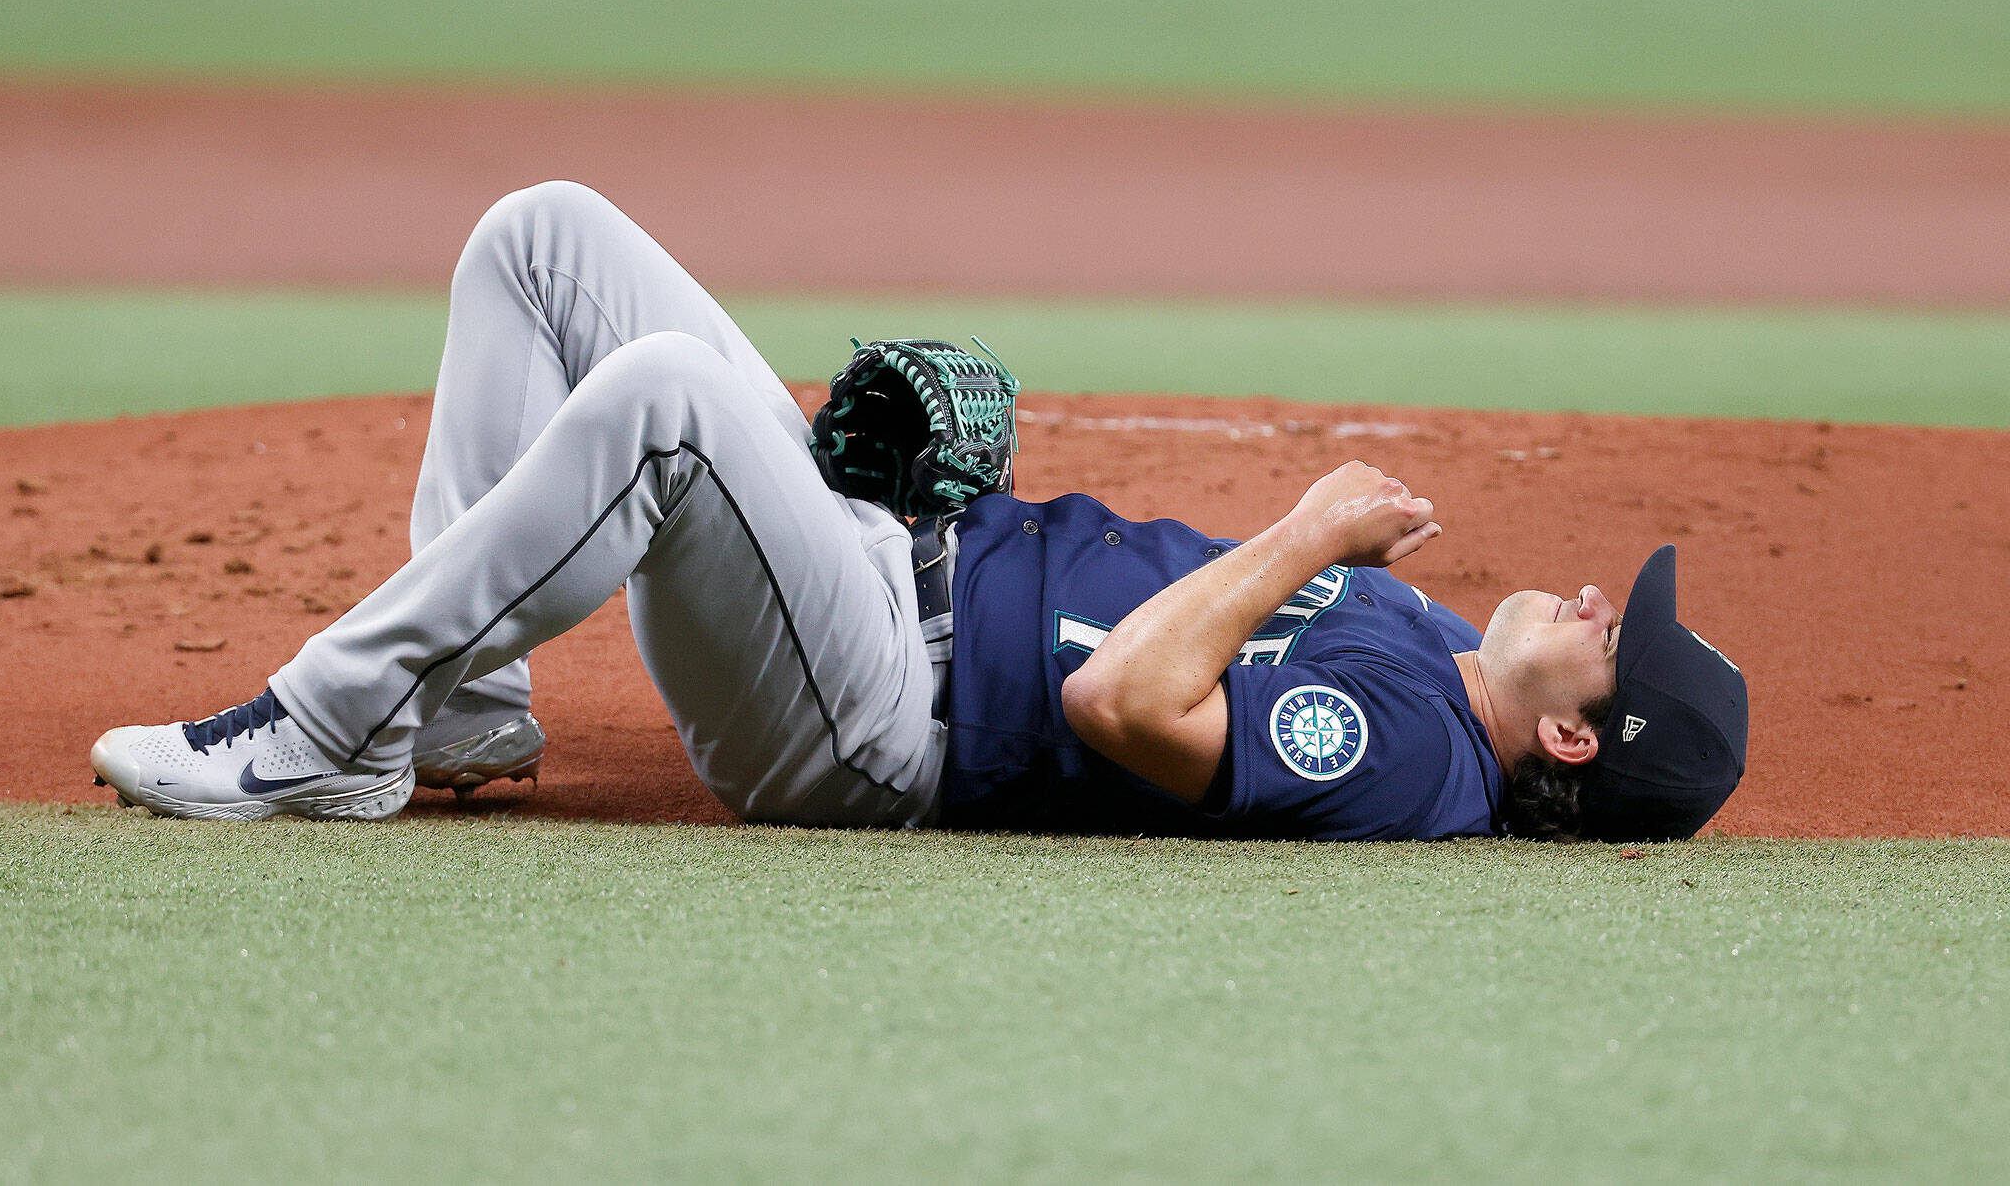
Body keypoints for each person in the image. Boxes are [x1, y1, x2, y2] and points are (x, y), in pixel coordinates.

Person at [91, 182, 1749, 841]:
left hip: (884, 722)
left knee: (665, 396)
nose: (1604, 599)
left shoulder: (1409, 757)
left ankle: (324, 728)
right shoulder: (1453, 652)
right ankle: (457, 705)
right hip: (892, 582)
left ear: (1580, 743)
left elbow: (1123, 700)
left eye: (1621, 639)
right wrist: (971, 513)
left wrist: (1307, 532)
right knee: (546, 239)